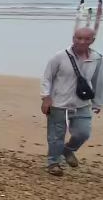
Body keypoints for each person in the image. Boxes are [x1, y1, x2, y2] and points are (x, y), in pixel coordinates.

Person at [40, 27, 103, 176]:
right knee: (56, 136)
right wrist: (46, 97)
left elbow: (98, 81)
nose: (81, 42)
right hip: (58, 103)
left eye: (86, 39)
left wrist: (97, 102)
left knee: (83, 133)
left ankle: (68, 150)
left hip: (82, 103)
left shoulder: (97, 58)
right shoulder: (59, 56)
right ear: (73, 38)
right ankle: (53, 163)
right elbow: (47, 77)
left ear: (92, 40)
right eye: (78, 38)